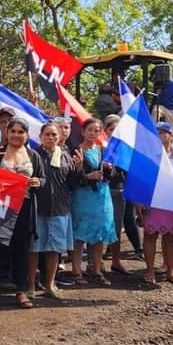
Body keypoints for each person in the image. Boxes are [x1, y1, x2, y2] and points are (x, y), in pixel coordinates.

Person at [0, 118, 44, 310]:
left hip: (24, 207)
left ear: (26, 135)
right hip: (1, 208)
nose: (16, 135)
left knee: (21, 249)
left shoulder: (33, 155)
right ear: (7, 133)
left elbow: (42, 178)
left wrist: (38, 182)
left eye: (20, 132)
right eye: (13, 131)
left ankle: (21, 290)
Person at [29, 122, 78, 299]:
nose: (51, 138)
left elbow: (72, 185)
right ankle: (30, 286)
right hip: (37, 209)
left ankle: (50, 284)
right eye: (47, 134)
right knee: (33, 249)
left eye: (54, 135)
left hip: (60, 208)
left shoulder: (65, 156)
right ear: (40, 136)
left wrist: (78, 170)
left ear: (59, 138)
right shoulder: (33, 155)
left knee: (54, 249)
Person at [139, 122, 173, 287]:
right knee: (150, 236)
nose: (160, 136)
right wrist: (138, 200)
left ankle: (171, 271)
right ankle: (150, 271)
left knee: (171, 237)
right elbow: (139, 178)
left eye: (163, 132)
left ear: (171, 135)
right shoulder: (147, 154)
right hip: (152, 202)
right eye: (156, 133)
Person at [70, 118, 115, 285]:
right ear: (83, 132)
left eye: (97, 131)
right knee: (80, 234)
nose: (93, 133)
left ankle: (95, 269)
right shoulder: (75, 151)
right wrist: (86, 175)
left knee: (99, 234)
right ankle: (76, 270)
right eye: (90, 130)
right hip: (82, 197)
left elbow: (111, 176)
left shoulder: (103, 150)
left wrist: (110, 168)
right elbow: (72, 178)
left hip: (102, 197)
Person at [102, 115, 137, 274]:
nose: (114, 132)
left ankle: (116, 261)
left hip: (118, 191)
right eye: (111, 129)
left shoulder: (127, 149)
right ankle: (95, 263)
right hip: (98, 192)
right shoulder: (99, 146)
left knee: (116, 227)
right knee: (96, 227)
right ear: (106, 130)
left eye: (118, 130)